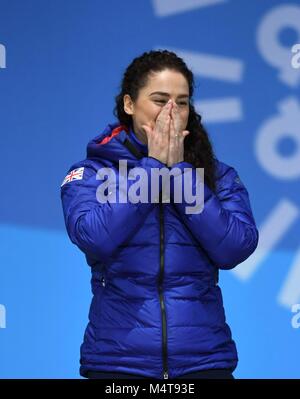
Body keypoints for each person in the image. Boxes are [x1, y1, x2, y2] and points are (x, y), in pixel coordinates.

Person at [60, 49, 259, 380]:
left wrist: (180, 173)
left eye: (182, 102)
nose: (172, 111)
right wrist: (152, 169)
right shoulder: (91, 172)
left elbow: (235, 247)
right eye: (159, 99)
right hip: (118, 365)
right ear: (128, 104)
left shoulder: (217, 175)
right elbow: (94, 238)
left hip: (204, 363)